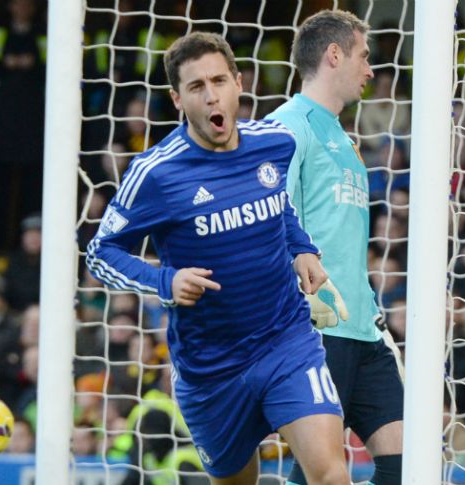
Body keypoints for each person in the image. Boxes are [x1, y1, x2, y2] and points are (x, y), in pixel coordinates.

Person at [86, 31, 351, 484]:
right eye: (196, 86)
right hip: (211, 370)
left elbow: (277, 205)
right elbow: (100, 252)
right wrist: (165, 281)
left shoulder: (276, 143)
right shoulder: (156, 173)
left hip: (286, 342)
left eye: (219, 81)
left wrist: (301, 248)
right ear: (177, 99)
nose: (211, 96)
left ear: (238, 83)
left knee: (331, 475)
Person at [266, 10, 404, 485]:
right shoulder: (287, 127)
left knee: (409, 463)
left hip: (363, 328)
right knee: (321, 472)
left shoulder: (342, 137)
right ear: (333, 55)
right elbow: (265, 220)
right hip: (317, 328)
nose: (370, 68)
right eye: (363, 56)